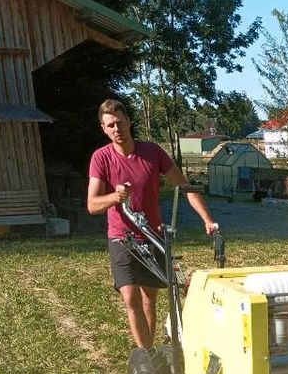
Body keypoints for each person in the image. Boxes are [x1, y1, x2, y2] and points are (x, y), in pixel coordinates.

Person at [87, 98, 217, 348]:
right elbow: (92, 204)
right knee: (130, 298)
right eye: (110, 125)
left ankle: (150, 353)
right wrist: (115, 197)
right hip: (121, 238)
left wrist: (207, 220)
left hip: (153, 236)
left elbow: (185, 187)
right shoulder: (101, 158)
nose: (117, 129)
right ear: (104, 129)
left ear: (129, 122)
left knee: (149, 299)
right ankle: (146, 357)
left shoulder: (152, 152)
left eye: (120, 123)